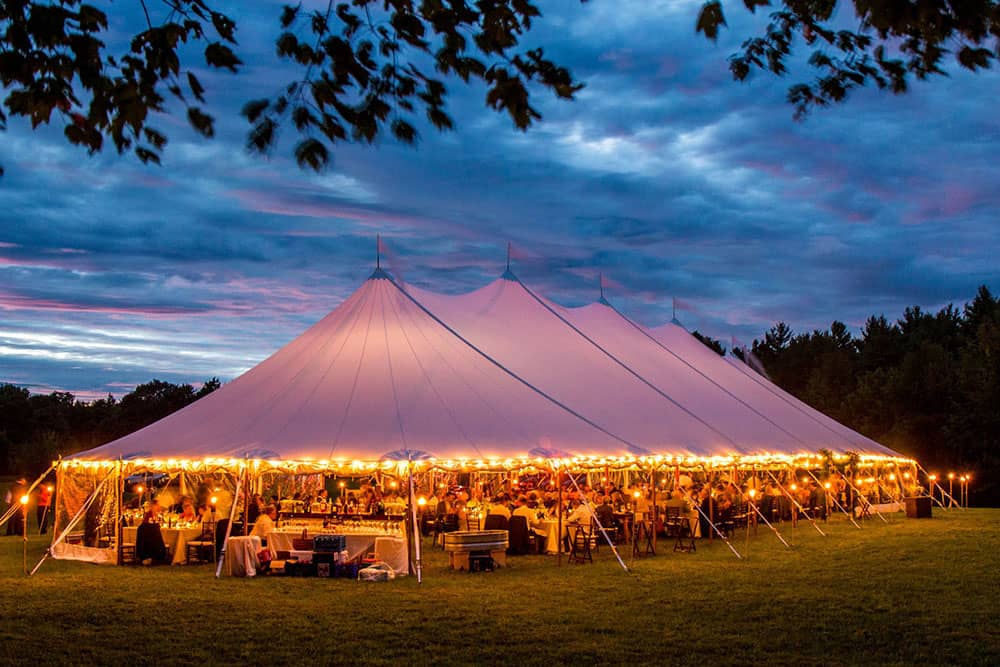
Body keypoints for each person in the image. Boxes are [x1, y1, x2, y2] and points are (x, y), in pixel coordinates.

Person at [136, 498, 167, 565]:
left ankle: (157, 558)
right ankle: (150, 557)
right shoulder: (149, 513)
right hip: (147, 534)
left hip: (152, 532)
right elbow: (148, 523)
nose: (159, 507)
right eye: (157, 505)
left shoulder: (155, 513)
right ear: (154, 506)